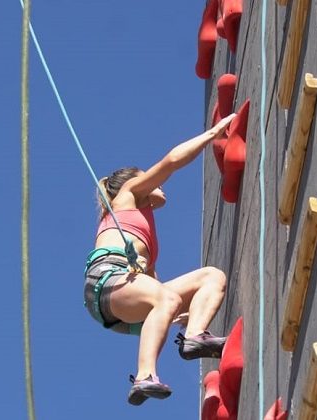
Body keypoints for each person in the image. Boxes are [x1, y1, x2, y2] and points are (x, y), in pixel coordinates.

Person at [83, 113, 236, 405]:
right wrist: (212, 133)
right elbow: (171, 162)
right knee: (165, 298)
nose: (161, 187)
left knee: (211, 277)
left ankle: (195, 334)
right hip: (107, 280)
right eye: (151, 181)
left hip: (120, 297)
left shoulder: (146, 235)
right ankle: (144, 375)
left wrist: (185, 313)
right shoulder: (126, 195)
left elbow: (154, 285)